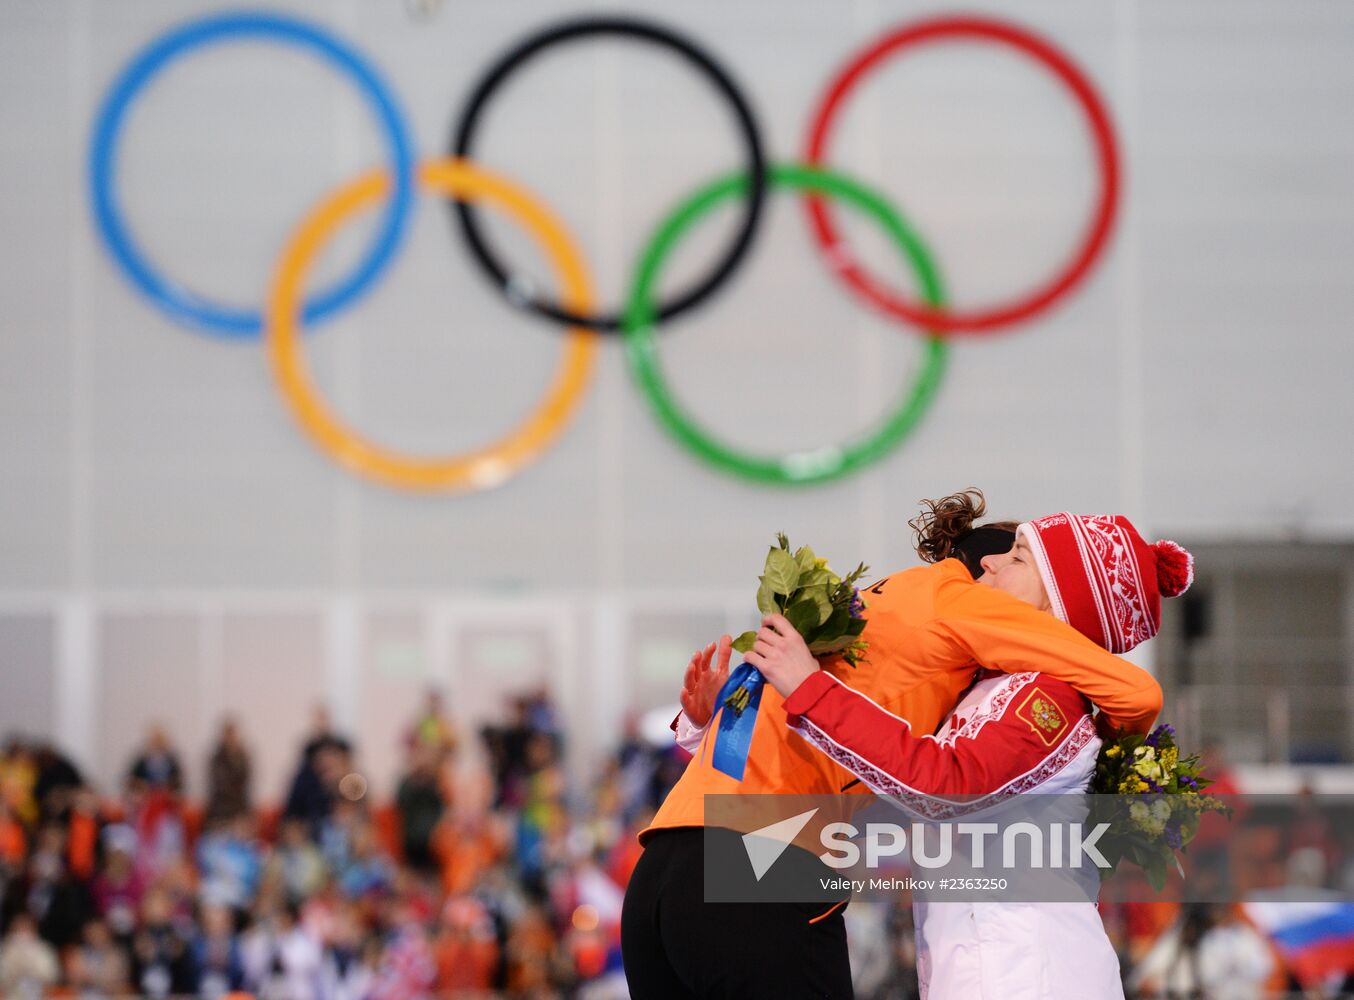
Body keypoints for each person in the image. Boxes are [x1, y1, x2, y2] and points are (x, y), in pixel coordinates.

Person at [621, 490, 1168, 998]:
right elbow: (894, 781)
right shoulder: (956, 636)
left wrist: (1111, 769)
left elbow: (917, 782)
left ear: (1061, 611)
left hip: (666, 865)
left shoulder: (937, 632)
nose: (992, 566)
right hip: (760, 860)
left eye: (1019, 558)